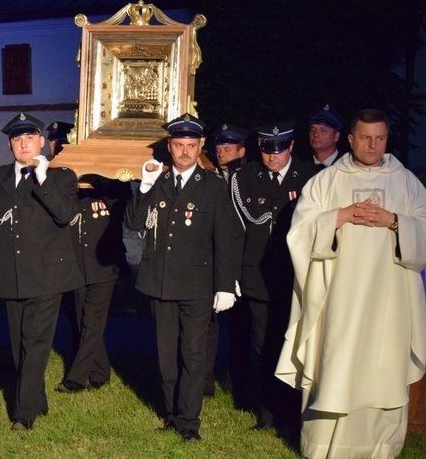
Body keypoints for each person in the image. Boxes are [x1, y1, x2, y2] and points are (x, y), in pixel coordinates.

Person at [276, 109, 426, 458]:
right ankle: (325, 447)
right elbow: (300, 233)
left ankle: (379, 448)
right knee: (336, 363)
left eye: (380, 138)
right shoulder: (326, 182)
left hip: (390, 300)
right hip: (340, 300)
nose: (373, 145)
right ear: (351, 139)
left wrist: (394, 221)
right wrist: (341, 215)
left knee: (383, 369)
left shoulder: (406, 183)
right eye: (365, 138)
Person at [125, 113, 244, 442]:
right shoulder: (157, 181)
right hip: (160, 284)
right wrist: (145, 185)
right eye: (179, 145)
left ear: (200, 146)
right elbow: (134, 223)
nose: (185, 152)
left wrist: (225, 284)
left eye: (192, 146)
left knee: (193, 354)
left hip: (197, 286)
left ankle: (189, 422)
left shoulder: (212, 187)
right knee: (166, 356)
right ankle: (172, 412)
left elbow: (226, 238)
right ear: (170, 146)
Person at [0, 112, 83, 431]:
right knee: (19, 345)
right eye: (17, 139)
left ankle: (23, 413)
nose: (24, 145)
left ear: (42, 142)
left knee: (37, 343)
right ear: (9, 144)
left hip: (48, 276)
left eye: (30, 138)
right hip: (10, 273)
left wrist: (43, 179)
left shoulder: (62, 176)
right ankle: (37, 399)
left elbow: (66, 215)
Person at [229, 122, 315, 431]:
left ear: (291, 146)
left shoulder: (310, 177)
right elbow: (237, 232)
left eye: (279, 149)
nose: (272, 156)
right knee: (264, 346)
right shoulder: (245, 178)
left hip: (298, 275)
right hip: (259, 277)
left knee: (295, 345)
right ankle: (267, 412)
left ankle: (292, 410)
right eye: (267, 149)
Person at [56, 176, 131, 393]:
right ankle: (100, 372)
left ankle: (76, 379)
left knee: (92, 322)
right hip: (78, 266)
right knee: (83, 322)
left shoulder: (113, 186)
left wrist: (94, 174)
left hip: (104, 267)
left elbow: (120, 201)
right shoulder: (71, 189)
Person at [203, 123, 248, 397]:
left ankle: (238, 382)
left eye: (227, 149)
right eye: (218, 150)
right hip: (214, 257)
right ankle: (205, 381)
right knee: (210, 325)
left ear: (241, 151)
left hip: (243, 260)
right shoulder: (210, 177)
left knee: (241, 329)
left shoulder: (249, 178)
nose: (221, 155)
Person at [307, 104, 344, 171]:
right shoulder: (301, 168)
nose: (316, 135)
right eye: (313, 130)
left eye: (323, 131)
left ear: (336, 136)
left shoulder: (346, 165)